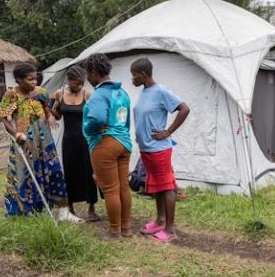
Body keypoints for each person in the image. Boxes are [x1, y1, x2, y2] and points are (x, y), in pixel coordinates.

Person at [0, 62, 81, 222]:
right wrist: (16, 133)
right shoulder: (12, 96)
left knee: (54, 172)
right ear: (18, 80)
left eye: (35, 78)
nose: (34, 82)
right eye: (30, 79)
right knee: (27, 176)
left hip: (45, 142)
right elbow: (4, 118)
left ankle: (64, 212)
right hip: (25, 143)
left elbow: (47, 110)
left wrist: (50, 116)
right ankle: (28, 212)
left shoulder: (41, 93)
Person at [131, 57, 190, 243]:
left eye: (134, 76)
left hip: (159, 149)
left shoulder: (161, 91)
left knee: (166, 187)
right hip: (146, 149)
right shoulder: (145, 91)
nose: (132, 79)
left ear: (143, 74)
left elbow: (184, 109)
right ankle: (160, 220)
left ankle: (170, 229)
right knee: (156, 186)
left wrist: (168, 131)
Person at [82, 54, 132, 240]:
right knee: (123, 187)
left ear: (94, 72)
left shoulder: (99, 94)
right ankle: (126, 229)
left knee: (110, 189)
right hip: (123, 143)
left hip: (105, 144)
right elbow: (127, 121)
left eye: (87, 73)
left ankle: (114, 232)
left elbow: (97, 118)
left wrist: (88, 127)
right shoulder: (122, 93)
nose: (87, 77)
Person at [50, 65, 100, 222]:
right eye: (76, 83)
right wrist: (50, 111)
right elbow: (57, 116)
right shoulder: (59, 94)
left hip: (86, 140)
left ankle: (92, 207)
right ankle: (70, 207)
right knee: (70, 173)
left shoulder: (88, 95)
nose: (78, 86)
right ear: (69, 80)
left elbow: (94, 117)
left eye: (81, 83)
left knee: (89, 172)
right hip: (69, 140)